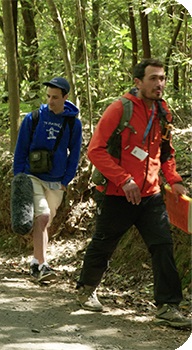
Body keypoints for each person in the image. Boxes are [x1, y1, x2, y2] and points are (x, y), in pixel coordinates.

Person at [76, 59, 191, 329]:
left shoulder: (164, 112)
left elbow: (166, 153)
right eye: (153, 78)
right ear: (138, 82)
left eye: (162, 78)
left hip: (150, 195)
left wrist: (173, 180)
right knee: (104, 243)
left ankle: (168, 306)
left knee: (162, 245)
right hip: (116, 193)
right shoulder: (120, 109)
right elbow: (96, 150)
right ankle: (86, 288)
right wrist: (123, 179)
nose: (159, 84)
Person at [12, 76, 82, 283]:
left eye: (55, 97)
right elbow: (21, 149)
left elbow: (75, 154)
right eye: (48, 97)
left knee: (45, 222)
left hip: (56, 181)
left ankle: (36, 261)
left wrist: (66, 180)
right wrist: (19, 179)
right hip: (32, 176)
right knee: (41, 217)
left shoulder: (72, 123)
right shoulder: (33, 118)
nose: (50, 101)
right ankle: (41, 265)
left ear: (65, 98)